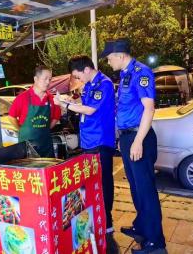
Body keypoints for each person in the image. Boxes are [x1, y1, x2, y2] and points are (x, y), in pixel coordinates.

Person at [101, 38, 166, 253]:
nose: (108, 62)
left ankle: (155, 243)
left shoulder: (141, 72)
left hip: (141, 137)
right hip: (130, 137)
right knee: (137, 189)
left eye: (109, 58)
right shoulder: (125, 73)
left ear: (120, 56)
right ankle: (143, 230)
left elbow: (149, 108)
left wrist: (137, 141)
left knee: (146, 191)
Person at [54, 55, 118, 253]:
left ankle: (107, 223)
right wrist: (70, 100)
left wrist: (64, 105)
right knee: (94, 183)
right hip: (90, 141)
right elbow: (84, 103)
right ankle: (99, 218)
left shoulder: (104, 84)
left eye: (77, 75)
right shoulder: (90, 84)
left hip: (100, 142)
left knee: (104, 182)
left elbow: (90, 110)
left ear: (86, 69)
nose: (78, 79)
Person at [8, 65, 61, 157]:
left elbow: (56, 117)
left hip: (45, 145)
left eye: (50, 79)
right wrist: (21, 129)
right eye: (45, 79)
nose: (48, 82)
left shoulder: (52, 99)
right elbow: (11, 117)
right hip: (27, 145)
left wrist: (46, 129)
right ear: (36, 79)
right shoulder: (22, 98)